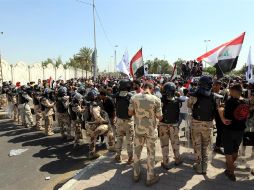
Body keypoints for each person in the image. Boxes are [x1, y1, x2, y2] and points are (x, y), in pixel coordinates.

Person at [128, 82, 162, 186]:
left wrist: (137, 113)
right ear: (151, 89)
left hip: (138, 129)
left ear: (143, 88)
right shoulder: (156, 99)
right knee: (151, 154)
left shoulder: (134, 98)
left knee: (137, 152)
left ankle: (135, 175)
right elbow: (159, 117)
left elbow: (129, 113)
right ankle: (150, 177)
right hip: (151, 131)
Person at [219, 84, 249, 181]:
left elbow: (222, 110)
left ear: (233, 91)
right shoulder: (245, 102)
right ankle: (230, 166)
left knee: (228, 153)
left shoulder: (230, 101)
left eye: (231, 91)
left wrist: (222, 113)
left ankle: (231, 172)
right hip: (240, 131)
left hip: (229, 130)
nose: (230, 92)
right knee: (235, 151)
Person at [187, 76, 217, 174]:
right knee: (205, 146)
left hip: (196, 124)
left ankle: (199, 167)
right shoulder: (213, 96)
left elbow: (188, 105)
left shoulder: (194, 95)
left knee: (197, 145)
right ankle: (205, 167)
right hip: (208, 124)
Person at [159, 82, 183, 170]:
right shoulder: (178, 100)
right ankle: (177, 159)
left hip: (163, 125)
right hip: (174, 125)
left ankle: (166, 162)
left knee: (164, 144)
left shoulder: (161, 100)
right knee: (175, 143)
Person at [85, 90, 115, 159]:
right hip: (95, 124)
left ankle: (91, 154)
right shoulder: (95, 105)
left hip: (89, 125)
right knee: (109, 130)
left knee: (92, 138)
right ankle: (111, 147)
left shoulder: (88, 104)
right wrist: (105, 121)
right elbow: (97, 117)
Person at [114, 80, 134, 164]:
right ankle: (130, 158)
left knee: (119, 138)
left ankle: (118, 156)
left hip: (119, 120)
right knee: (129, 141)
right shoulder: (131, 96)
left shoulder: (117, 95)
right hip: (128, 121)